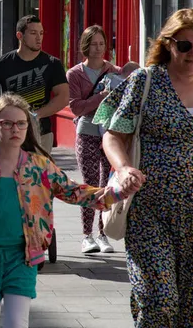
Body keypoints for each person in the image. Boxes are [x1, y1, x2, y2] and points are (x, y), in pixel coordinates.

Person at [93, 8, 193, 326]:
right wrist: (122, 169)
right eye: (185, 45)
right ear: (168, 45)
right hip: (149, 212)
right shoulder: (145, 82)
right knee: (157, 302)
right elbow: (112, 135)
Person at [0, 93, 122, 328]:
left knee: (17, 324)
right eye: (6, 123)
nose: (14, 129)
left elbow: (74, 192)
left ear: (28, 127)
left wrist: (117, 193)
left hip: (23, 258)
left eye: (21, 123)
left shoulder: (39, 166)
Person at [66, 25, 121, 255]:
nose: (98, 48)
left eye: (101, 43)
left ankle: (103, 233)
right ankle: (87, 235)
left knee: (106, 185)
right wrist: (101, 97)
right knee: (89, 185)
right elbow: (76, 106)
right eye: (93, 44)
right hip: (86, 133)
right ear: (85, 46)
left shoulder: (114, 70)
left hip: (108, 134)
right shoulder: (74, 74)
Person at [0, 15, 68, 152]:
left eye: (41, 33)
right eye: (33, 33)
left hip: (41, 133)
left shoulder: (52, 64)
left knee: (37, 173)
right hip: (9, 131)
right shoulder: (2, 64)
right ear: (20, 35)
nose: (39, 38)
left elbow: (63, 97)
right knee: (9, 171)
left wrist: (36, 115)